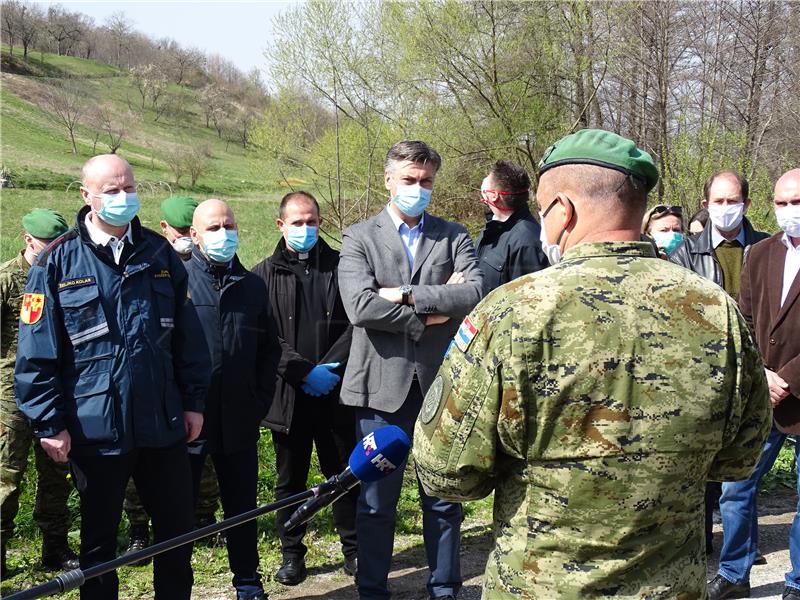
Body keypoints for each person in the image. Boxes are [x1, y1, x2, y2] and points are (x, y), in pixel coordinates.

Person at [413, 129, 772, 599]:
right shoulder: (715, 311)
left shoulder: (513, 312)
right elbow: (741, 455)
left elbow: (445, 470)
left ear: (563, 210)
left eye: (543, 211)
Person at [14, 154, 211, 600]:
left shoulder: (159, 253)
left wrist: (194, 401)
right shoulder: (56, 262)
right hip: (94, 427)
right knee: (100, 545)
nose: (124, 197)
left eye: (129, 187)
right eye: (112, 190)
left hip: (161, 423)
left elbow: (188, 338)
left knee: (176, 537)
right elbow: (36, 351)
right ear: (87, 196)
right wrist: (49, 423)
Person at [338, 140, 483, 600]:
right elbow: (359, 306)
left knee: (443, 499)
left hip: (441, 388)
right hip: (381, 390)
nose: (418, 189)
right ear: (388, 180)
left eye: (426, 182)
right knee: (376, 501)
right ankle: (372, 589)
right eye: (409, 180)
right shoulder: (358, 237)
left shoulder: (454, 235)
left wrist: (401, 295)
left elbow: (476, 291)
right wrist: (432, 311)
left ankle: (444, 586)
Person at [251, 191, 357, 586]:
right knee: (289, 482)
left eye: (311, 221)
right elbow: (265, 335)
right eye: (297, 222)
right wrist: (300, 372)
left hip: (335, 390)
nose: (305, 228)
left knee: (343, 475)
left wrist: (331, 368)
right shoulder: (263, 274)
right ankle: (292, 554)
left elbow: (356, 322)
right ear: (281, 225)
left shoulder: (341, 266)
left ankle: (354, 549)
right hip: (289, 397)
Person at [708, 168, 800, 600]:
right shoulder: (760, 254)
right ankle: (734, 573)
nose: (788, 211)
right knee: (736, 487)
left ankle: (797, 580)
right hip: (761, 395)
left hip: (797, 395)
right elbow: (744, 320)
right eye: (781, 203)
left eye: (796, 202)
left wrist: (789, 378)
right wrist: (761, 373)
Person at [669, 170, 770, 554]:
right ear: (706, 203)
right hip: (703, 375)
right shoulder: (685, 253)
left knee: (743, 472)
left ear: (746, 202)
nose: (726, 209)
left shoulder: (766, 248)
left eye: (733, 201)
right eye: (719, 202)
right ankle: (698, 544)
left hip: (759, 371)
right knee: (700, 469)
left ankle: (739, 553)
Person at [186, 199, 280, 600]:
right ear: (194, 235)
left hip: (240, 418)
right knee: (180, 511)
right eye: (213, 228)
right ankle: (177, 585)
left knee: (242, 508)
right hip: (190, 421)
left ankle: (248, 582)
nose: (223, 234)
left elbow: (268, 352)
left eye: (228, 225)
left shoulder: (253, 285)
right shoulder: (177, 280)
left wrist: (258, 403)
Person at [123, 193, 222, 560]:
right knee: (139, 468)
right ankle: (138, 529)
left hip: (194, 383)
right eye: (179, 230)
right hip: (151, 387)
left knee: (199, 463)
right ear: (164, 228)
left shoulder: (206, 266)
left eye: (189, 229)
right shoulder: (149, 261)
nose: (185, 236)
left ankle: (202, 520)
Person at [1, 208, 77, 577]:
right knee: (5, 477)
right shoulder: (7, 279)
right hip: (9, 397)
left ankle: (56, 547)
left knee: (56, 474)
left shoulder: (65, 276)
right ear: (28, 240)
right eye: (49, 243)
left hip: (53, 391)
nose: (55, 249)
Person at [473, 160, 547, 294]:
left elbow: (525, 303)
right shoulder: (494, 227)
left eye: (488, 178)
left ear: (494, 195)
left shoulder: (527, 243)